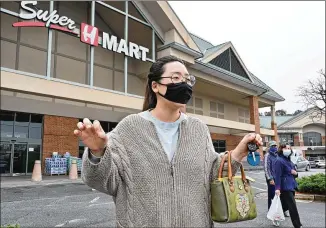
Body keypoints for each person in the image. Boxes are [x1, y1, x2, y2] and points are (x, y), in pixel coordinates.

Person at [74, 56, 263, 227]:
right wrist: (98, 152)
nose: (184, 83)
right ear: (155, 86)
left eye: (188, 79)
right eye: (175, 78)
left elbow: (212, 175)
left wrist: (239, 152)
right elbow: (100, 181)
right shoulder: (129, 128)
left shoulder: (198, 129)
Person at [274, 143, 302, 228]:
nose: (288, 150)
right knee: (292, 206)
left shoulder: (288, 160)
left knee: (285, 205)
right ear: (281, 149)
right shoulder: (279, 160)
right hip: (285, 186)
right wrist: (277, 188)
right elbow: (277, 175)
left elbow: (294, 172)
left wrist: (295, 173)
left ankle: (276, 217)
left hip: (291, 185)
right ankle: (297, 225)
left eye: (289, 148)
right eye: (286, 148)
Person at [263, 140, 278, 210]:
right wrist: (270, 179)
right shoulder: (267, 155)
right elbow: (266, 168)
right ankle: (271, 209)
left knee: (278, 194)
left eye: (275, 146)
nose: (275, 147)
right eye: (273, 146)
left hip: (278, 177)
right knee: (272, 194)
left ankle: (279, 209)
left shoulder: (277, 155)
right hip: (271, 178)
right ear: (269, 147)